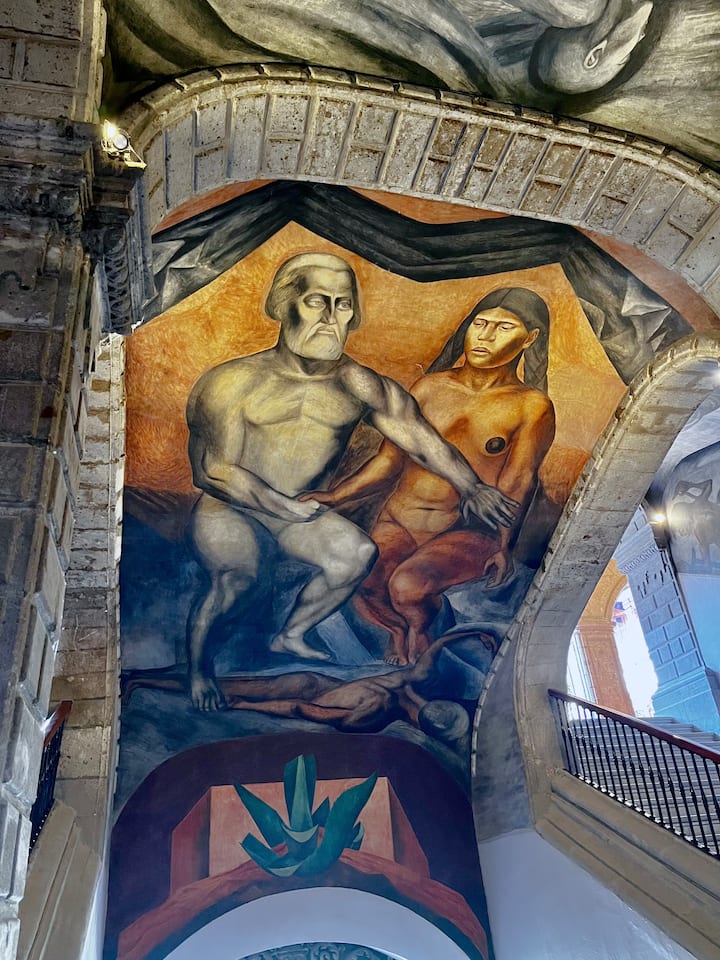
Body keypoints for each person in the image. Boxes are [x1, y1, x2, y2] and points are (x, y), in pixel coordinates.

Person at [185, 253, 518, 709]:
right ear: (283, 305)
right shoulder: (232, 382)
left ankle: (291, 633)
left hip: (297, 509)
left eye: (342, 304)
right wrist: (283, 507)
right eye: (316, 301)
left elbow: (420, 438)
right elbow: (213, 470)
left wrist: (471, 486)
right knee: (236, 579)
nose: (330, 317)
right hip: (231, 507)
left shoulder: (357, 383)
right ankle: (199, 672)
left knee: (356, 554)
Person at [311, 287, 555, 665]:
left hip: (465, 530)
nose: (486, 336)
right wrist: (336, 496)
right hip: (399, 519)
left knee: (407, 587)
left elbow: (518, 480)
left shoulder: (530, 405)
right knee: (360, 578)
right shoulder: (429, 387)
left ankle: (421, 632)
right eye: (480, 323)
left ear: (530, 338)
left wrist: (504, 545)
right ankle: (399, 630)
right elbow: (389, 460)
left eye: (504, 327)